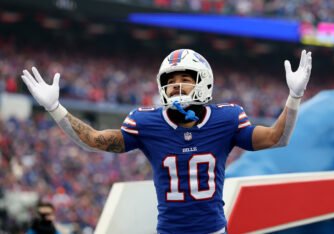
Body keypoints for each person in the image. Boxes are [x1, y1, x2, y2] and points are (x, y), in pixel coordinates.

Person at [21, 49, 312, 234]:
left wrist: (294, 97)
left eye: (185, 78)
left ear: (204, 81)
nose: (176, 85)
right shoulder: (147, 122)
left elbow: (277, 138)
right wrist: (56, 109)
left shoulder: (226, 119)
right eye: (170, 80)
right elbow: (95, 141)